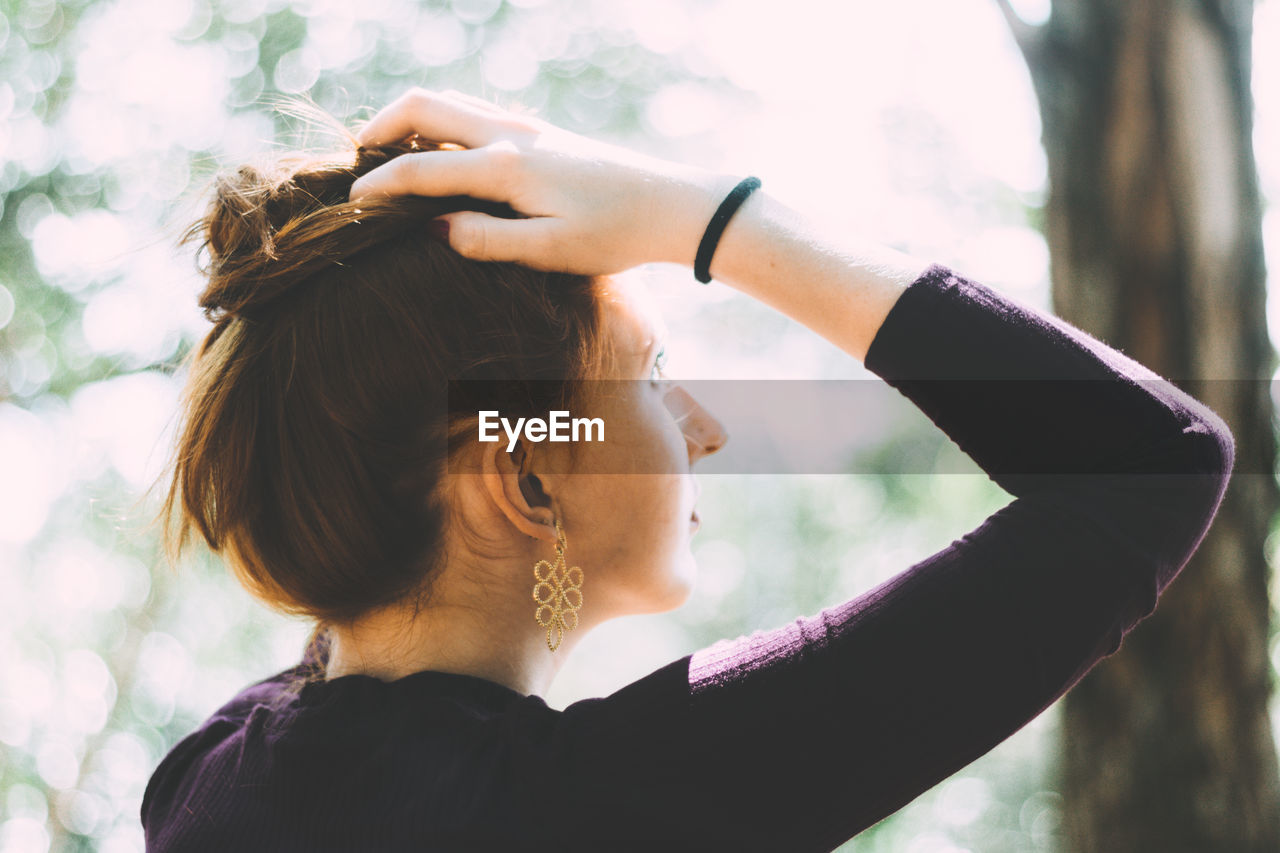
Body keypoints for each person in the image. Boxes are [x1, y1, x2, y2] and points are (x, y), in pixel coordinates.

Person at [140, 89, 1234, 852]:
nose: (703, 427)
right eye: (653, 377)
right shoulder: (591, 812)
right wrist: (705, 218)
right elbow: (1147, 465)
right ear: (526, 483)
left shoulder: (208, 776)